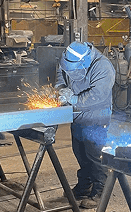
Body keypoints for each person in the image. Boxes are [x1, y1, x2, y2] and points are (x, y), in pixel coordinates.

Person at [54, 41, 115, 209]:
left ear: (84, 62)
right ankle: (85, 186)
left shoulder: (103, 67)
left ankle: (101, 190)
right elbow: (61, 74)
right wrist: (61, 89)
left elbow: (98, 95)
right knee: (80, 152)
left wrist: (73, 100)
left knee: (95, 155)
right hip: (77, 116)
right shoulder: (68, 59)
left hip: (97, 117)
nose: (71, 72)